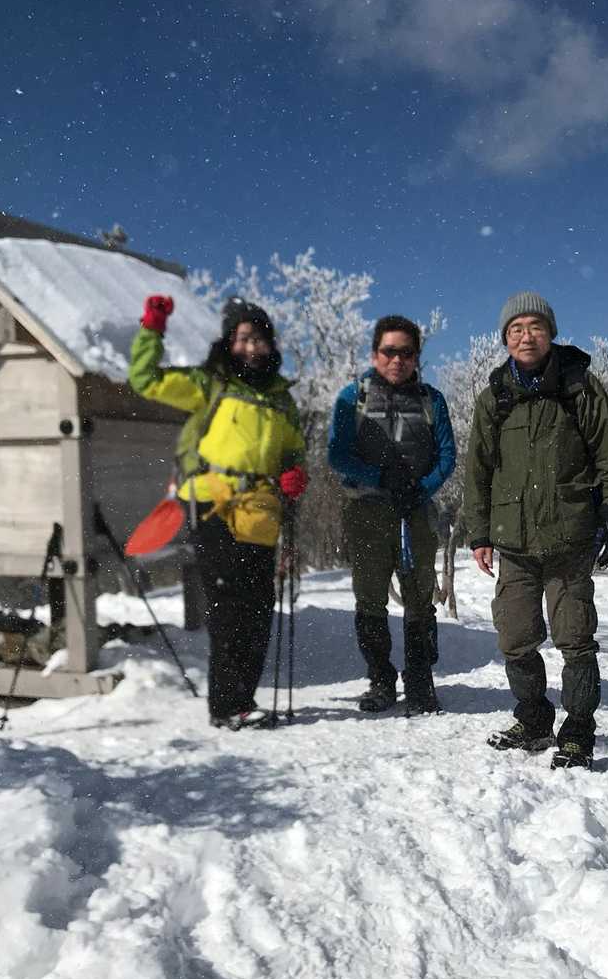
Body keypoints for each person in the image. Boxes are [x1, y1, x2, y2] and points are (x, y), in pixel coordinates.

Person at [463, 291, 608, 768]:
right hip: (513, 542)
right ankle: (534, 719)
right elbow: (478, 471)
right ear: (505, 339)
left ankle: (578, 730)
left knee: (575, 637)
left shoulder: (580, 388)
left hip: (569, 538)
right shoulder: (494, 398)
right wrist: (479, 533)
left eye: (535, 327)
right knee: (514, 637)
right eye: (516, 329)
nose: (526, 336)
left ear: (551, 333)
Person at [129, 294, 307, 729]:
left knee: (259, 609)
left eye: (259, 337)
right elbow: (145, 379)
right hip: (212, 504)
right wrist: (152, 328)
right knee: (228, 608)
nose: (251, 346)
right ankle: (227, 705)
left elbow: (293, 452)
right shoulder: (210, 384)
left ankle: (242, 699)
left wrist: (294, 474)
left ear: (271, 344)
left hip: (260, 511)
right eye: (243, 337)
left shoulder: (282, 400)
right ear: (229, 343)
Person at [328, 315, 456, 714]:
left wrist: (421, 488)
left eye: (406, 352)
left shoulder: (431, 400)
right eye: (389, 351)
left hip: (416, 511)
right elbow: (338, 455)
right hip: (368, 511)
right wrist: (380, 477)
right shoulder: (354, 398)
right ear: (374, 354)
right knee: (370, 600)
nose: (397, 359)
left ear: (416, 357)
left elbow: (447, 456)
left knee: (419, 598)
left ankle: (420, 681)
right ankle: (381, 679)